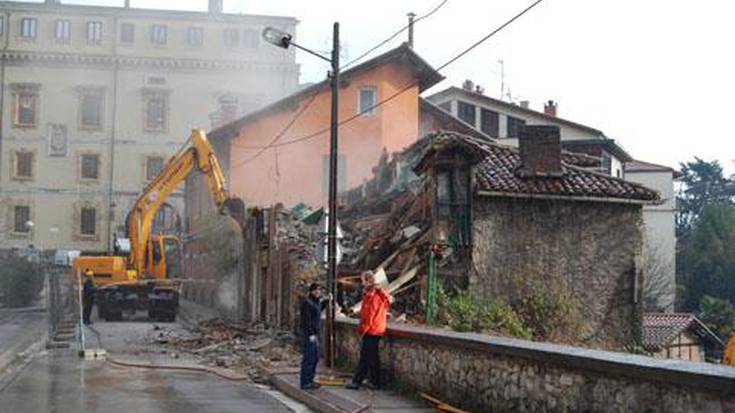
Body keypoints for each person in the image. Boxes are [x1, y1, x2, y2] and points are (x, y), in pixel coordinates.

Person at [345, 270, 392, 390]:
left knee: (365, 357)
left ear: (368, 281)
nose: (362, 283)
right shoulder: (375, 294)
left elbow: (369, 315)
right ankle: (374, 381)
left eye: (363, 281)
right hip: (376, 329)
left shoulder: (373, 296)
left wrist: (362, 330)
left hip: (372, 330)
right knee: (373, 357)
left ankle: (357, 381)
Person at [299, 283, 327, 390]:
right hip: (309, 334)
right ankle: (305, 382)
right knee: (309, 358)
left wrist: (327, 301)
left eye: (319, 290)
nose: (317, 292)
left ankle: (310, 380)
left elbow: (318, 310)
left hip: (314, 333)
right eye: (315, 290)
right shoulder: (307, 303)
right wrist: (311, 333)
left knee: (315, 358)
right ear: (311, 291)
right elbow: (307, 320)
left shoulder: (316, 302)